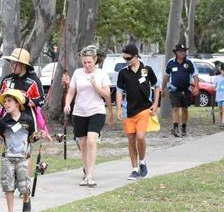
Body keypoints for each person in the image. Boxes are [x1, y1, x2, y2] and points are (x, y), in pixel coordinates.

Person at [64, 46, 113, 186]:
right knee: (83, 143)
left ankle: (91, 175)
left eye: (89, 62)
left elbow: (107, 95)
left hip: (96, 111)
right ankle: (86, 171)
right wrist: (67, 104)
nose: (86, 65)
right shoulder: (77, 73)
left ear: (95, 60)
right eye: (84, 62)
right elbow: (71, 92)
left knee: (92, 140)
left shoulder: (101, 74)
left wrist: (95, 85)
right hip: (79, 112)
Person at [0, 88, 36, 212]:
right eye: (5, 102)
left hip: (23, 157)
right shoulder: (3, 122)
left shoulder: (27, 120)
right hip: (7, 157)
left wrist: (39, 136)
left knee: (23, 183)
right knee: (8, 184)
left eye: (9, 101)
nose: (6, 104)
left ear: (17, 103)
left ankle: (26, 200)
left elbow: (32, 138)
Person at [116, 44, 160, 180]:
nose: (126, 61)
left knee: (140, 137)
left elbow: (157, 86)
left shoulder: (146, 70)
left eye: (128, 58)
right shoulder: (123, 73)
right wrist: (118, 108)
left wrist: (156, 103)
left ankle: (142, 161)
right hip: (128, 110)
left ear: (136, 56)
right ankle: (135, 169)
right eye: (124, 58)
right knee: (131, 139)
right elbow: (119, 91)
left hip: (144, 109)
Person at [162, 44, 199, 137]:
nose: (183, 53)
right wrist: (163, 88)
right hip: (174, 89)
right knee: (175, 108)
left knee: (185, 109)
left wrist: (196, 87)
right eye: (180, 51)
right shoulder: (170, 62)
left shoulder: (189, 62)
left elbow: (195, 75)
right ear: (176, 53)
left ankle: (184, 127)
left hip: (186, 89)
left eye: (184, 51)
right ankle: (175, 128)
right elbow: (166, 76)